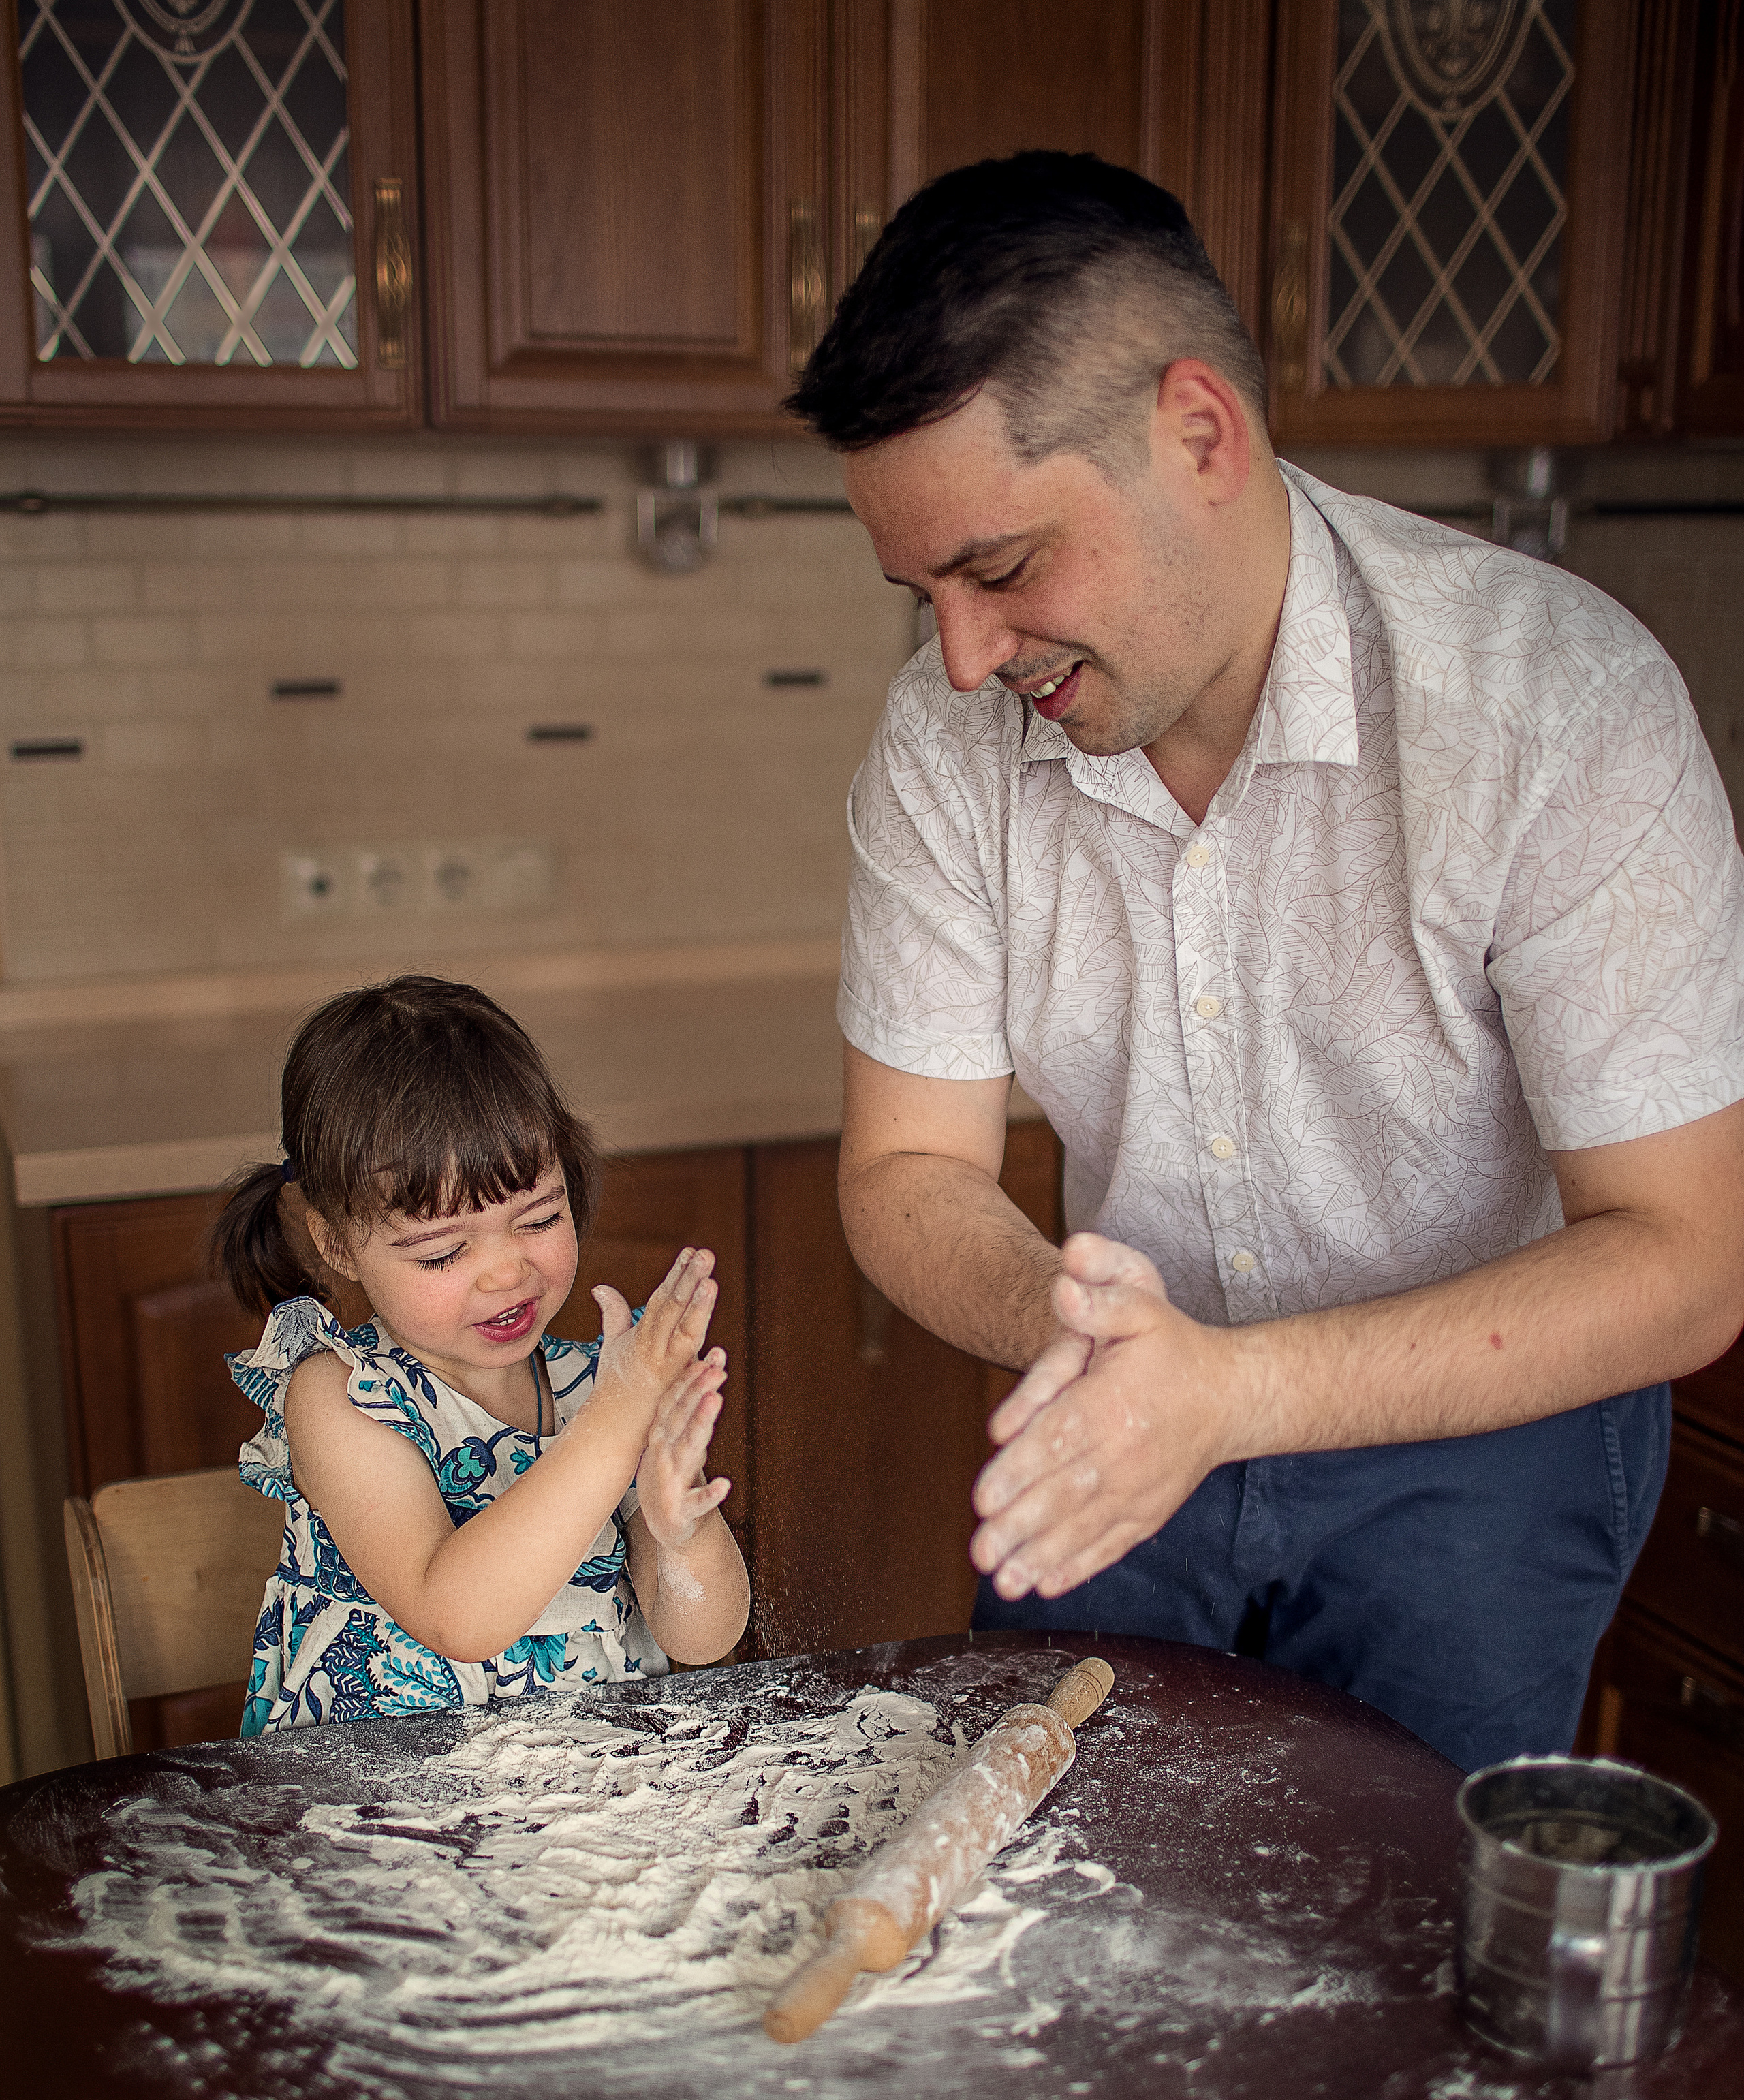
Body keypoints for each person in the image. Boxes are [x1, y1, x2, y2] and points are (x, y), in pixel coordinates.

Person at [788, 151, 1744, 1770]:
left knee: (1387, 1957)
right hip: (1110, 1396)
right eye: (920, 591)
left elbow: (1682, 1257)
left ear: (1198, 435)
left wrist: (1230, 1394)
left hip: (1480, 1440)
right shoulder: (942, 747)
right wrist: (1077, 1322)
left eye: (1002, 568)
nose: (958, 656)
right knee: (1058, 1906)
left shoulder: (1554, 704)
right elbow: (901, 1167)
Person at [211, 975, 749, 1736]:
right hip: (385, 1811)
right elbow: (454, 1615)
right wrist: (619, 1416)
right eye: (441, 1253)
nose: (507, 1272)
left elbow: (700, 1637)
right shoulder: (338, 1398)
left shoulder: (600, 1385)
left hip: (587, 1804)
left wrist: (682, 1533)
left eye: (539, 1218)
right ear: (338, 1244)